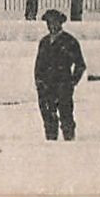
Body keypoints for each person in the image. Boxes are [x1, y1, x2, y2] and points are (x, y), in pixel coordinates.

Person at [34, 8, 85, 141]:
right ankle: (51, 142)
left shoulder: (69, 41)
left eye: (54, 22)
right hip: (47, 87)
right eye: (49, 23)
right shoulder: (44, 43)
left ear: (60, 23)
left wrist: (72, 82)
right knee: (48, 117)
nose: (51, 26)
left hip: (63, 86)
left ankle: (69, 142)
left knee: (66, 116)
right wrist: (39, 83)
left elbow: (80, 64)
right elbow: (38, 66)